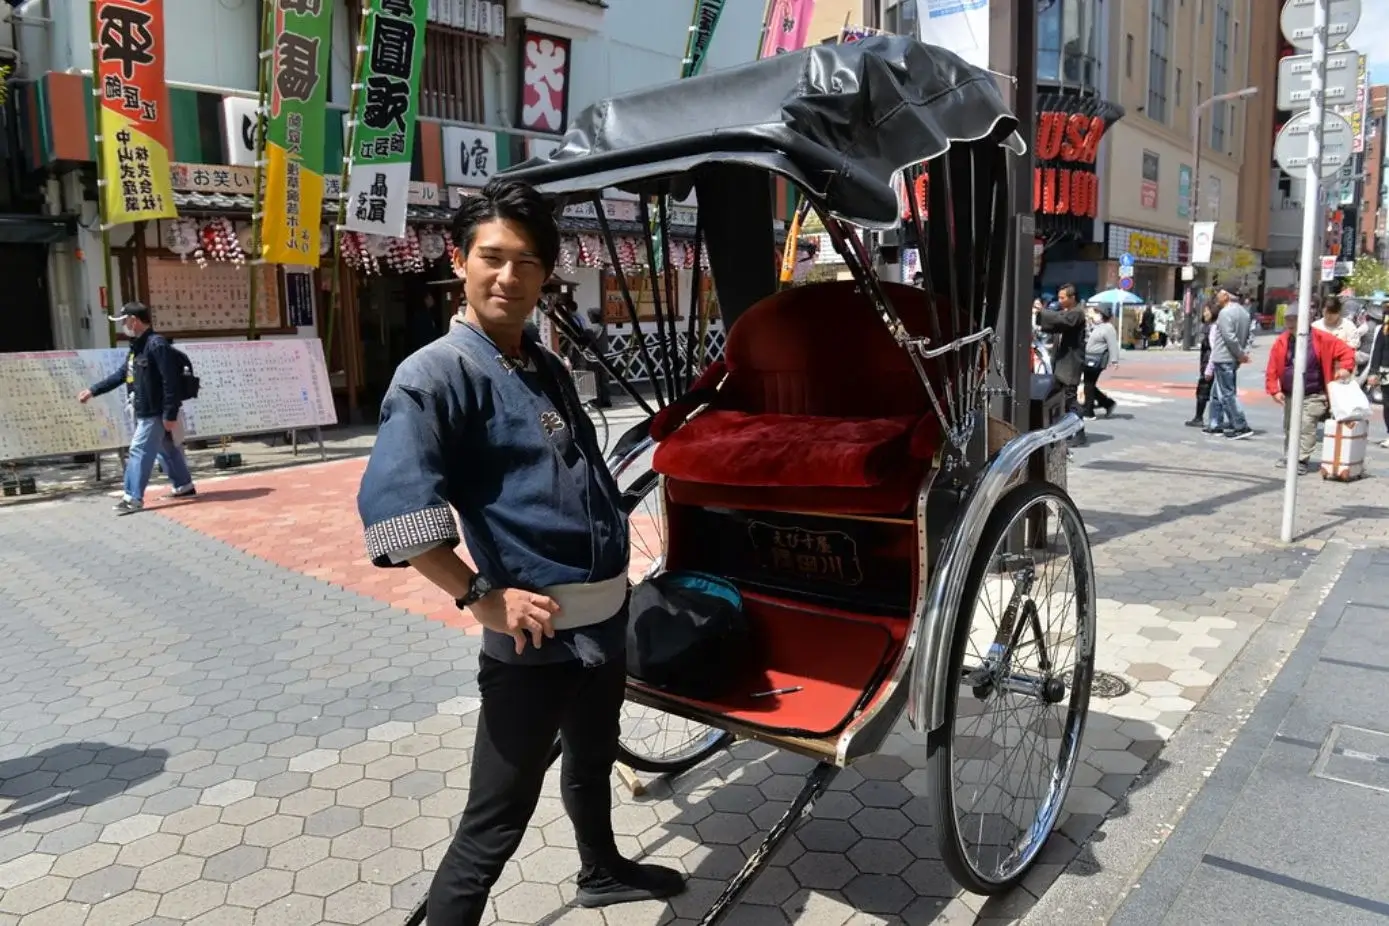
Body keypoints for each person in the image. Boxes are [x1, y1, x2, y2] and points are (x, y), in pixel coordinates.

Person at [355, 177, 684, 926]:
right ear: (459, 260)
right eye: (493, 258)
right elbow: (398, 512)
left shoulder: (539, 360)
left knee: (593, 758)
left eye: (527, 262)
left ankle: (600, 870)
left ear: (546, 272)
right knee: (494, 822)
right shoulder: (436, 373)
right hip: (534, 637)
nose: (509, 277)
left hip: (602, 619)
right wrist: (480, 596)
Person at [78, 302, 196, 515]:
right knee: (167, 449)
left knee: (138, 450)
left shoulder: (156, 344)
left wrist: (170, 413)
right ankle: (184, 485)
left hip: (156, 411)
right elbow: (122, 375)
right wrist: (93, 390)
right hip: (145, 409)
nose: (123, 325)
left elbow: (170, 382)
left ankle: (132, 497)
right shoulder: (137, 348)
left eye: (124, 321)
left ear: (134, 320)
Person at [1264, 307, 1355, 475]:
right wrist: (1273, 389)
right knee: (1290, 427)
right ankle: (1290, 455)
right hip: (1290, 393)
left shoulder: (1321, 338)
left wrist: (1345, 368)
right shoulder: (1282, 340)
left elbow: (1347, 352)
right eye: (1288, 319)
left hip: (1314, 393)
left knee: (1306, 425)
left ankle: (1301, 459)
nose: (1290, 323)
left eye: (1294, 319)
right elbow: (1272, 367)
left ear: (1305, 320)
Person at [1035, 283, 1088, 446]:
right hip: (1062, 362)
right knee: (1061, 398)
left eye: (1062, 297)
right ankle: (1064, 430)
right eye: (1058, 297)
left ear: (1072, 298)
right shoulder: (1067, 312)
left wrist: (1041, 312)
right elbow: (1055, 325)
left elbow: (1062, 321)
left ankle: (1079, 431)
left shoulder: (1077, 313)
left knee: (1070, 398)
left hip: (1071, 363)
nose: (1059, 300)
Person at [1209, 287, 1254, 440]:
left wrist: (1240, 354)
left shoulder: (1225, 312)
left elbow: (1229, 337)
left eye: (1219, 294)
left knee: (1228, 393)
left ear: (1226, 296)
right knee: (1219, 392)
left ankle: (1240, 425)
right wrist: (1243, 354)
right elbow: (1248, 336)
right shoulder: (1244, 313)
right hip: (1232, 358)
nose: (1216, 297)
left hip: (1224, 357)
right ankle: (1216, 423)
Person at [1081, 303, 1120, 418]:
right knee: (1089, 385)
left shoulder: (1108, 328)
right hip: (1089, 358)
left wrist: (1114, 361)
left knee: (1088, 384)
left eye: (1097, 312)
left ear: (1102, 314)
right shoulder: (1096, 326)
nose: (1095, 315)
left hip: (1097, 360)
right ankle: (1107, 403)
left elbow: (1112, 345)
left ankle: (1089, 411)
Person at [1186, 302, 1219, 428]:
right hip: (1206, 363)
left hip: (1209, 363)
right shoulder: (1208, 326)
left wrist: (1209, 369)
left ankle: (1201, 418)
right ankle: (1201, 418)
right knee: (1208, 392)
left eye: (1207, 311)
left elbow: (1214, 349)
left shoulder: (1213, 328)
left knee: (1205, 391)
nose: (1204, 313)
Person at [1367, 313, 1389, 449]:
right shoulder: (1385, 327)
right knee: (1388, 404)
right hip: (1386, 371)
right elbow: (1377, 350)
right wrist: (1374, 371)